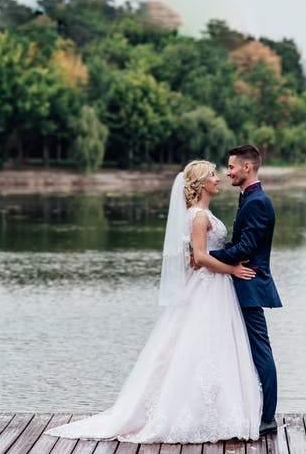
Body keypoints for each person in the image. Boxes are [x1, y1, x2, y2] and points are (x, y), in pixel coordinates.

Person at [44, 160, 262, 444]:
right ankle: (191, 413)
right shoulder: (198, 216)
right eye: (212, 175)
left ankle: (217, 412)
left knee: (212, 347)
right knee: (198, 347)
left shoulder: (202, 213)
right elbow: (200, 257)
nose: (218, 178)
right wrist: (232, 269)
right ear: (200, 184)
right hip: (208, 288)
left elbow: (203, 256)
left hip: (215, 289)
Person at [209, 144, 282, 436]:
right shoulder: (248, 198)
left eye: (232, 167)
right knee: (244, 349)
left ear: (247, 167)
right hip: (241, 282)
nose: (228, 172)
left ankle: (267, 417)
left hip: (250, 283)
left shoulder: (257, 202)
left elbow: (247, 247)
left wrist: (206, 258)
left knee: (260, 350)